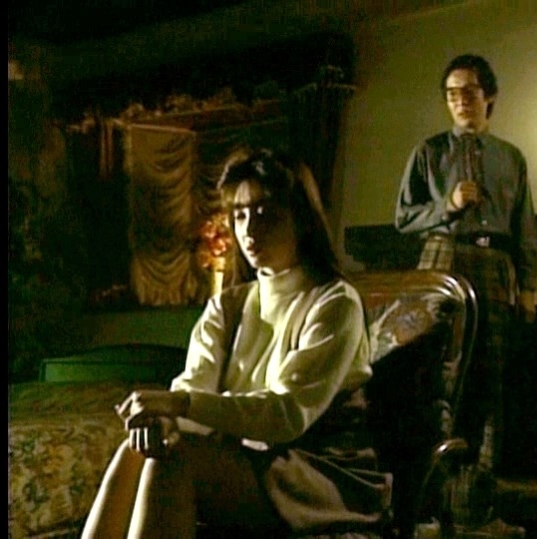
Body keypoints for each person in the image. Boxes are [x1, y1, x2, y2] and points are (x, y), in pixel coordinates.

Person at [81, 148, 392, 538]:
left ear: (301, 218)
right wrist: (163, 419)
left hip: (317, 469)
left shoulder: (334, 303)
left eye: (265, 213)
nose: (249, 229)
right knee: (141, 447)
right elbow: (195, 386)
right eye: (241, 215)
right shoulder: (229, 305)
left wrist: (177, 404)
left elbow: (286, 414)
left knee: (176, 457)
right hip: (249, 457)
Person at [394, 53, 537, 522]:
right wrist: (448, 205)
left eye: (470, 92)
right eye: (452, 94)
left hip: (495, 265)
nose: (460, 101)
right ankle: (431, 499)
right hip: (442, 259)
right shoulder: (428, 152)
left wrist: (528, 287)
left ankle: (477, 502)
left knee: (488, 381)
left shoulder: (511, 158)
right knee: (438, 377)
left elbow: (525, 227)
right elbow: (403, 218)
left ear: (489, 96)